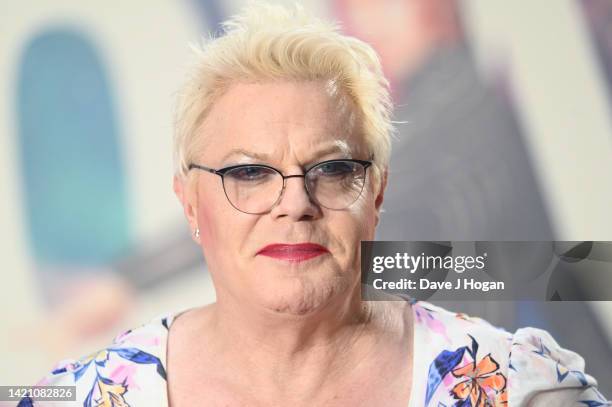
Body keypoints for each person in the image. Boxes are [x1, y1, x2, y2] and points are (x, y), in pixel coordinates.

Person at [19, 3, 609, 406]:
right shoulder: (87, 393)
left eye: (331, 171)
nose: (293, 203)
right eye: (248, 173)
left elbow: (558, 267)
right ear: (190, 205)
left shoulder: (520, 383)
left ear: (376, 191)